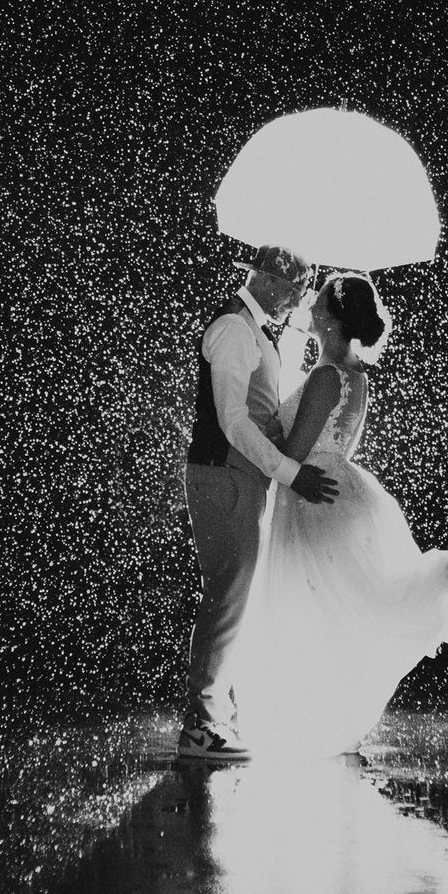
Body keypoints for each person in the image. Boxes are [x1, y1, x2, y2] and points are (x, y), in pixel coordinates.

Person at [228, 272, 448, 757]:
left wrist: (253, 424)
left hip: (311, 498)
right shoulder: (353, 373)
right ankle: (442, 577)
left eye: (317, 298)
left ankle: (441, 577)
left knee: (319, 606)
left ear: (328, 316)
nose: (308, 302)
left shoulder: (326, 377)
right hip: (344, 492)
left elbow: (297, 450)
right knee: (346, 598)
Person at [180, 245, 339, 761]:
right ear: (269, 280)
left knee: (234, 598)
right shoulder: (232, 328)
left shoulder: (258, 330)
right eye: (296, 288)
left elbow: (261, 406)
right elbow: (232, 420)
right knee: (227, 597)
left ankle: (215, 717)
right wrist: (290, 473)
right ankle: (201, 729)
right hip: (223, 475)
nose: (299, 300)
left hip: (241, 479)